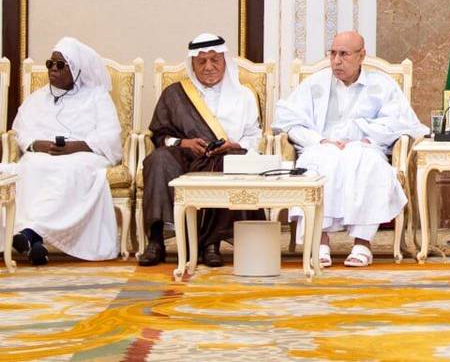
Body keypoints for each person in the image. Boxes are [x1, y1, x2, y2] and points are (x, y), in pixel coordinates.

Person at [273, 31, 427, 268]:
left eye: (344, 54)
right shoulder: (315, 84)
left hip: (364, 147)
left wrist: (366, 135)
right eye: (333, 53)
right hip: (322, 146)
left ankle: (362, 244)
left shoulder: (382, 85)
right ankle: (319, 242)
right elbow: (288, 121)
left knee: (369, 164)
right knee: (318, 164)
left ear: (361, 56)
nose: (336, 61)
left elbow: (400, 122)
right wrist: (319, 140)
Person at [137, 33, 262, 267]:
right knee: (158, 160)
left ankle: (211, 244)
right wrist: (183, 143)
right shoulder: (175, 94)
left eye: (215, 60)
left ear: (225, 61)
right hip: (184, 156)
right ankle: (155, 241)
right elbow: (160, 136)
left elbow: (254, 137)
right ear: (192, 64)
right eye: (201, 61)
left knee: (230, 164)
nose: (208, 67)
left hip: (224, 156)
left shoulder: (244, 95)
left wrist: (235, 145)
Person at [0, 38, 122, 264]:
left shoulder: (97, 96)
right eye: (50, 64)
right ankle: (34, 241)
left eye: (60, 65)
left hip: (86, 156)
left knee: (72, 168)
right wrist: (37, 145)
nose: (53, 70)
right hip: (44, 155)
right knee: (30, 165)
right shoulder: (38, 98)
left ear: (76, 69)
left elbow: (110, 137)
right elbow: (21, 132)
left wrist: (75, 147)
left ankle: (30, 233)